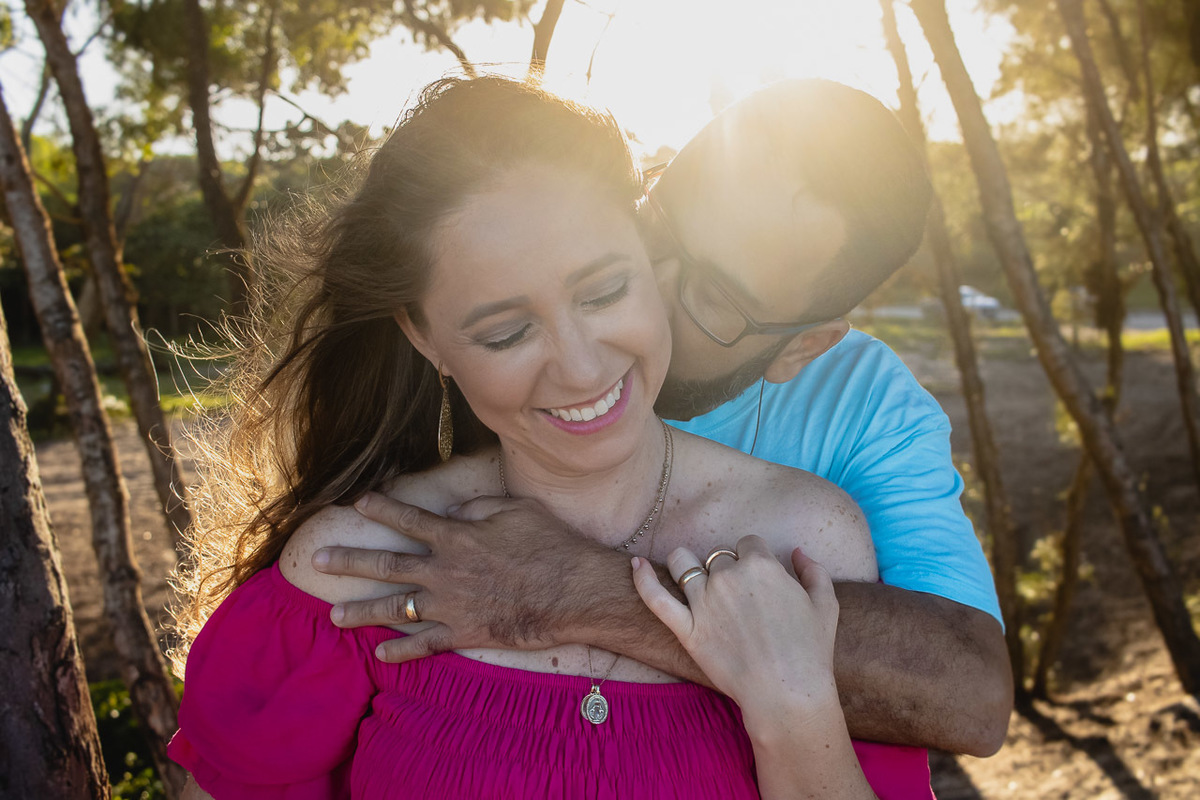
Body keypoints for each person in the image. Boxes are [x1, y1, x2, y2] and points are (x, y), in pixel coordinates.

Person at [170, 75, 916, 799]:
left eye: (605, 291)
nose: (581, 366)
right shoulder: (354, 571)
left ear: (652, 259)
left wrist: (793, 711)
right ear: (427, 339)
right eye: (505, 332)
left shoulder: (807, 539)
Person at [312, 79, 1012, 756]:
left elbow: (971, 695)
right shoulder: (518, 286)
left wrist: (582, 592)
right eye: (657, 221)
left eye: (712, 296)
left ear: (801, 345)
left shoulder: (863, 406)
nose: (649, 279)